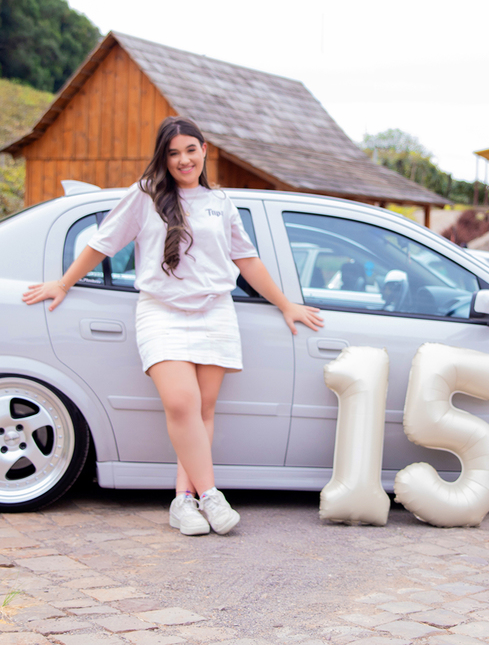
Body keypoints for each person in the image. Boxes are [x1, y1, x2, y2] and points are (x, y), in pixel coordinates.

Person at [22, 117, 323, 535]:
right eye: (173, 152)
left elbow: (247, 259)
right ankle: (212, 496)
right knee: (181, 404)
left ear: (204, 150)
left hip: (215, 311)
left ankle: (183, 502)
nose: (183, 160)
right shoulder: (145, 195)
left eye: (190, 150)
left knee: (203, 410)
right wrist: (63, 282)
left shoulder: (220, 202)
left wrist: (286, 304)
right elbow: (103, 242)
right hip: (161, 311)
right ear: (163, 157)